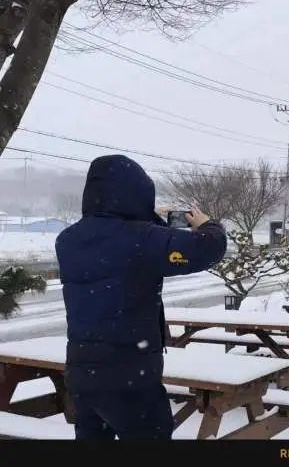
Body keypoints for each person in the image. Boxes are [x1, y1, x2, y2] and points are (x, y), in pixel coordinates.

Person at [56, 155, 227, 440]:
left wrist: (149, 220)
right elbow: (208, 249)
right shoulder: (142, 239)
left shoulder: (67, 240)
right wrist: (210, 225)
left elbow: (121, 248)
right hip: (129, 376)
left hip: (81, 374)